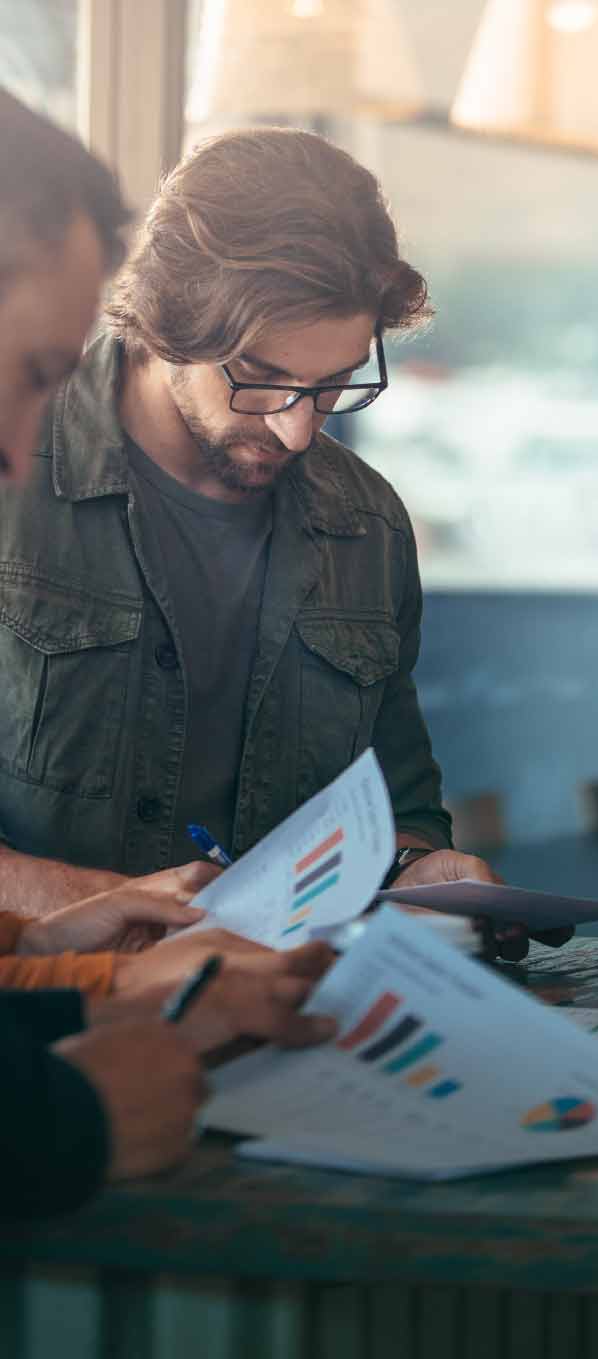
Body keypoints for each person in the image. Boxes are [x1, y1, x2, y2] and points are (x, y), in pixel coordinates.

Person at [0, 125, 565, 958]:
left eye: (333, 385)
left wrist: (421, 871)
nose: (298, 429)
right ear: (167, 324)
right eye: (263, 378)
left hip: (287, 1009)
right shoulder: (14, 468)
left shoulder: (368, 526)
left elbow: (398, 806)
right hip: (54, 1017)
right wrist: (120, 908)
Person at [0, 90, 335, 1221]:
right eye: (32, 373)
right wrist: (67, 1122)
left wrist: (78, 973)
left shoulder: (364, 522)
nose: (20, 456)